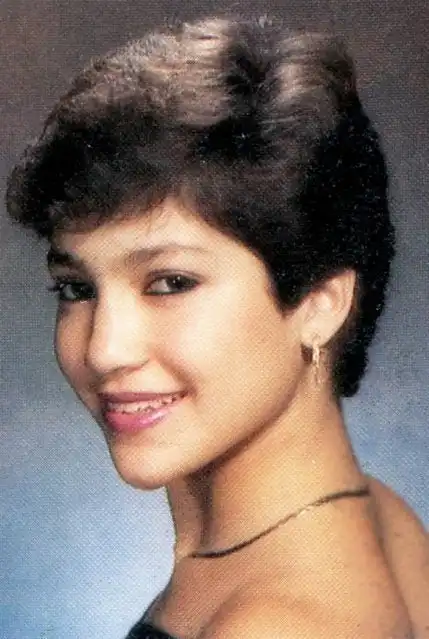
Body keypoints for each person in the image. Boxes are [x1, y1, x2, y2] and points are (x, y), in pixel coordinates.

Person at [6, 14, 429, 639]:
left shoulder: (277, 624)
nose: (103, 350)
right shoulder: (378, 519)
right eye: (77, 289)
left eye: (171, 283)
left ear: (319, 304)